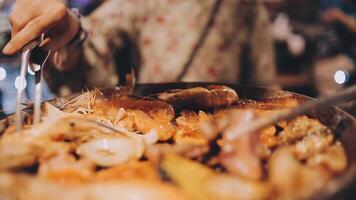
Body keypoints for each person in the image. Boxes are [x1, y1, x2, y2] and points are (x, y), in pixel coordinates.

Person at [3, 0, 278, 96]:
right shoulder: (142, 2)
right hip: (153, 134)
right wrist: (71, 31)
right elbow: (94, 38)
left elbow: (266, 92)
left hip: (227, 134)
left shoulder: (245, 6)